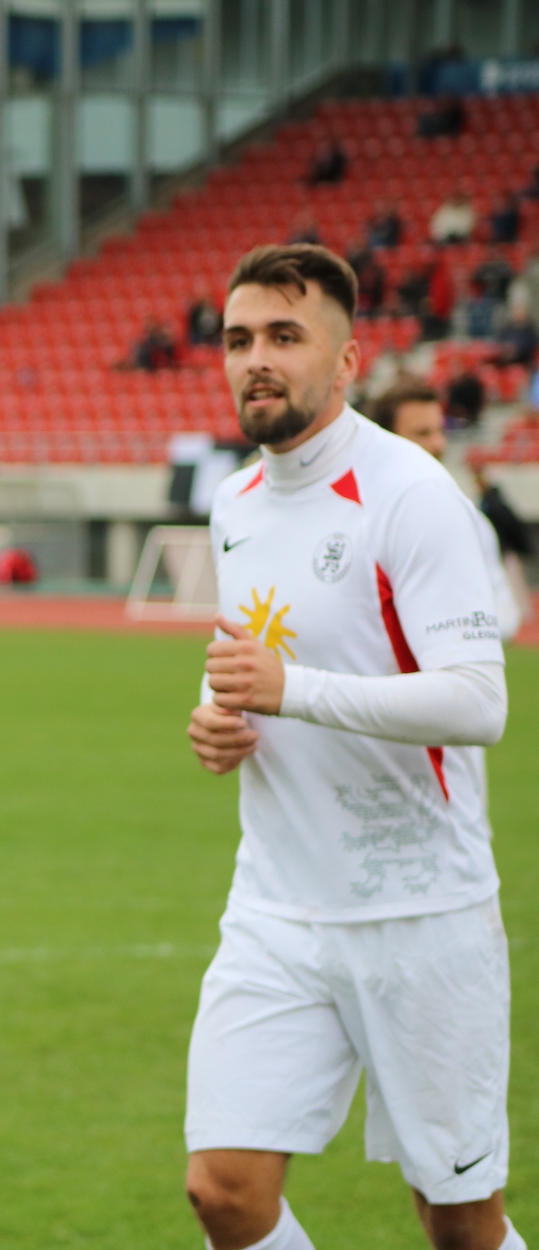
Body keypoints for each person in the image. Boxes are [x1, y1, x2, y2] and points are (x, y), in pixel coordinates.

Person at [186, 244, 517, 1250]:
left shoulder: (412, 494)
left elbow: (479, 701)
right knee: (223, 1190)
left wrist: (293, 692)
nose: (256, 359)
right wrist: (217, 715)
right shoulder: (234, 504)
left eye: (284, 336)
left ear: (346, 359)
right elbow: (255, 655)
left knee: (458, 1221)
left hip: (420, 911)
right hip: (276, 907)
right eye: (239, 339)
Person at [368, 379, 527, 637]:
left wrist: (454, 633)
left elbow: (505, 610)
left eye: (440, 431)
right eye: (422, 433)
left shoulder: (469, 518)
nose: (438, 444)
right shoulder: (354, 516)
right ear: (385, 439)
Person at [476, 466, 535, 634]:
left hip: (504, 549)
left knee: (512, 580)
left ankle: (522, 616)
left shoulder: (495, 503)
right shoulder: (489, 501)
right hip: (499, 549)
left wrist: (511, 545)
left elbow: (509, 527)